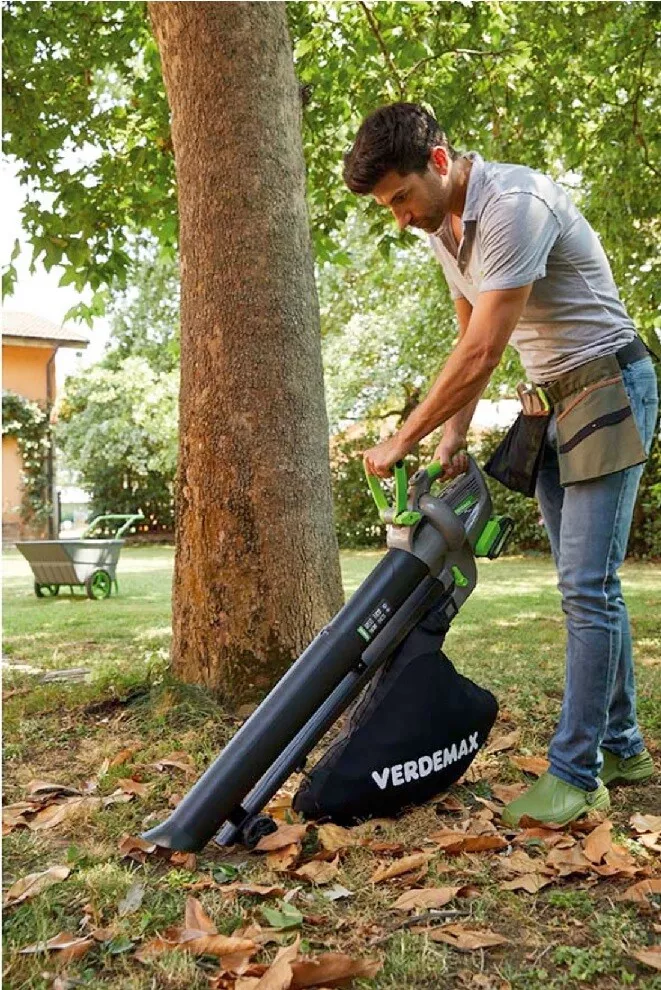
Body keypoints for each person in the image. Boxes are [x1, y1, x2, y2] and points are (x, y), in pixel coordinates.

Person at [342, 102, 658, 826]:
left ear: (440, 161)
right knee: (587, 586)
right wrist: (450, 436)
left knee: (587, 587)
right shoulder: (443, 230)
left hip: (609, 384)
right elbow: (468, 341)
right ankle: (622, 746)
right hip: (548, 402)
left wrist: (402, 439)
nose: (401, 218)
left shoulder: (515, 204)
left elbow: (487, 346)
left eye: (401, 198)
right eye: (388, 207)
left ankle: (576, 776)